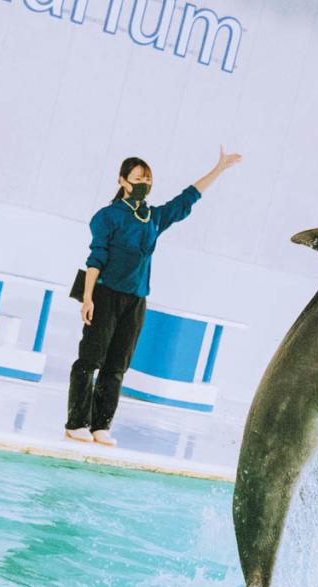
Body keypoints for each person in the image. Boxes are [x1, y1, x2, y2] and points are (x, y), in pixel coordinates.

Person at [65, 148, 242, 445]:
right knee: (90, 359)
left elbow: (186, 200)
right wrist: (87, 298)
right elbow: (95, 260)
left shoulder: (152, 218)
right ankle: (76, 422)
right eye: (137, 178)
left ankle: (101, 425)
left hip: (136, 299)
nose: (144, 184)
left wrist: (219, 168)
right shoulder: (107, 217)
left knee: (117, 365)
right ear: (122, 181)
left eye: (147, 179)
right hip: (105, 294)